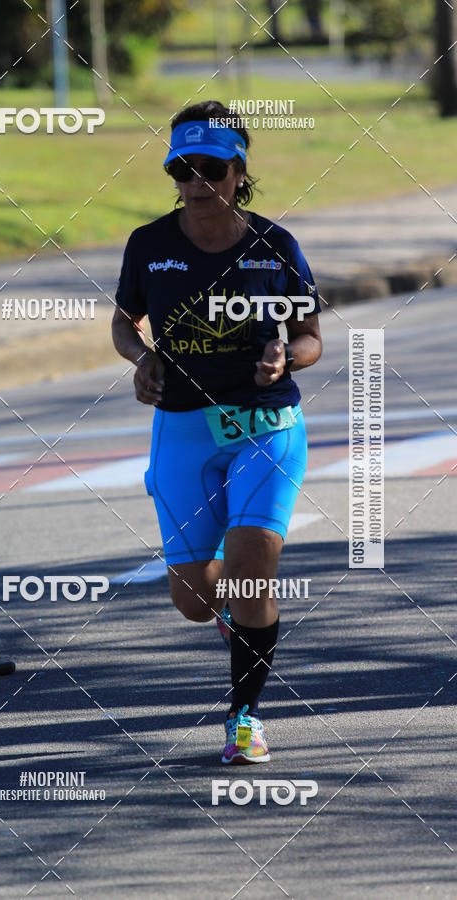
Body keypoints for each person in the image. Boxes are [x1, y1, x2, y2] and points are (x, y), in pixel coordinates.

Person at [111, 100, 322, 764]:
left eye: (211, 169)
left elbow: (312, 335)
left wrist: (288, 355)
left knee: (252, 567)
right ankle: (236, 612)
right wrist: (141, 357)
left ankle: (244, 719)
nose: (196, 183)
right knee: (197, 601)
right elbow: (124, 323)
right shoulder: (150, 244)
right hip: (182, 428)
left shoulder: (275, 246)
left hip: (268, 425)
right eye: (183, 170)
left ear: (238, 173)